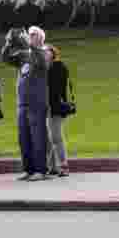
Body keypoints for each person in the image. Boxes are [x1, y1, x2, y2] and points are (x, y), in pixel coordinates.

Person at [0, 26, 52, 181]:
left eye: (33, 34)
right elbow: (6, 58)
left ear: (41, 37)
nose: (29, 36)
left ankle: (41, 171)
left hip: (37, 102)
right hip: (23, 103)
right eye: (28, 34)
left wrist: (30, 45)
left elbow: (42, 62)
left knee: (38, 137)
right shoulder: (24, 55)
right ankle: (28, 170)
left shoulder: (45, 52)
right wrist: (8, 43)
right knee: (24, 138)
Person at [46, 44, 71, 177]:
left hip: (56, 107)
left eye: (47, 52)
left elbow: (55, 87)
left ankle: (63, 165)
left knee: (56, 136)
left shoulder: (58, 67)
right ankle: (52, 166)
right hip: (46, 107)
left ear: (53, 54)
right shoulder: (45, 68)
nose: (44, 54)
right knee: (49, 138)